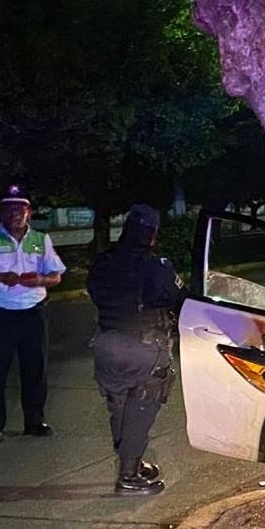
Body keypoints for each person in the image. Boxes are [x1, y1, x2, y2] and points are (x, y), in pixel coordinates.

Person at [87, 204, 186, 496]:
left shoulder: (102, 262)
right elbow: (178, 298)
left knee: (119, 406)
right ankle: (128, 477)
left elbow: (95, 292)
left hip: (106, 344)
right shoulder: (156, 266)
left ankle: (132, 462)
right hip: (143, 348)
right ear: (152, 234)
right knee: (141, 409)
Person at [0, 185, 66, 444]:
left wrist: (40, 279)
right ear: (0, 214)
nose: (15, 214)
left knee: (35, 369)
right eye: (9, 209)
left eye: (20, 208)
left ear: (28, 213)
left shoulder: (41, 239)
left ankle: (34, 421)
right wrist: (0, 277)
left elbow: (56, 276)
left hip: (33, 312)